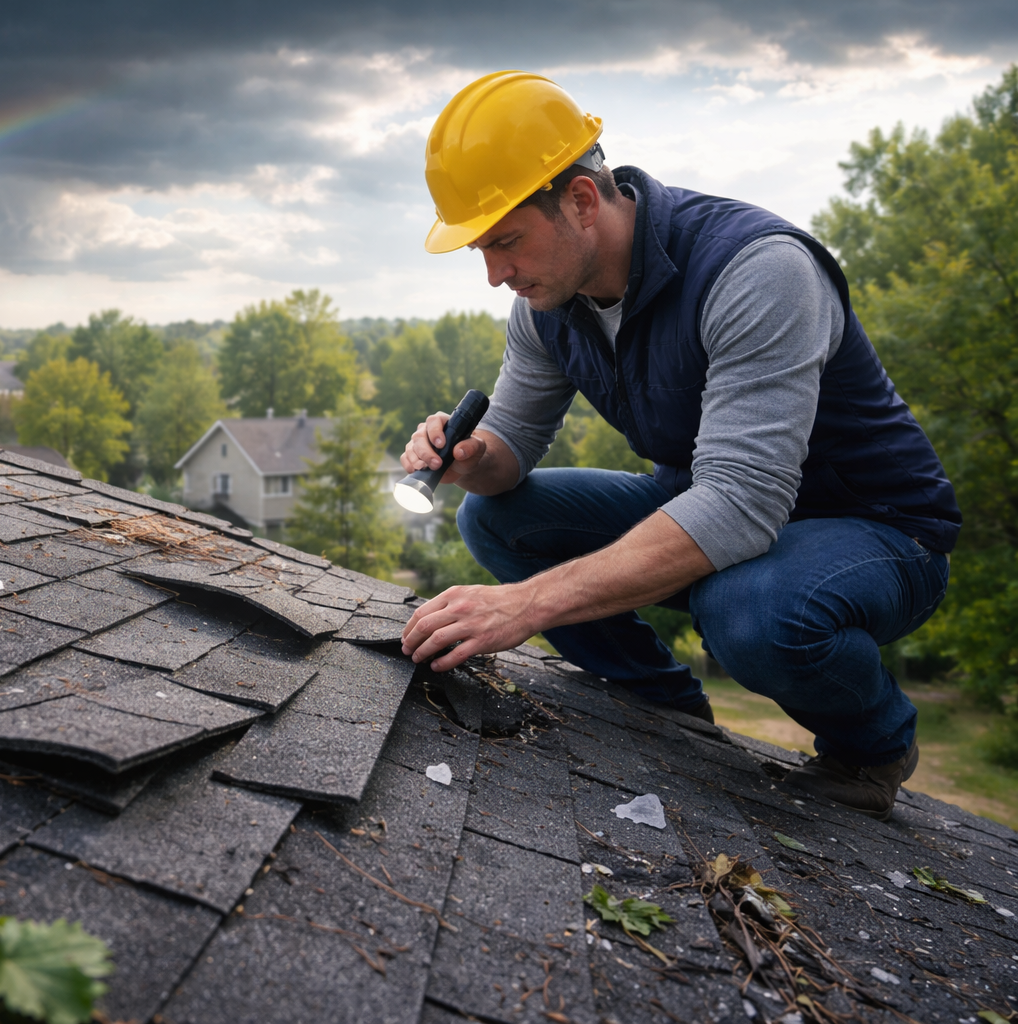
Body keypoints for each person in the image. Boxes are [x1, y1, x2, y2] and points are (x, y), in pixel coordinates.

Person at [398, 71, 960, 821]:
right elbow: (510, 453)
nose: (496, 274)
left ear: (581, 201)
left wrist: (525, 606)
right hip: (716, 501)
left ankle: (874, 745)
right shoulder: (547, 308)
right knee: (493, 519)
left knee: (752, 612)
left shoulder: (756, 270)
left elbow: (741, 505)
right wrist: (468, 458)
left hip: (876, 530)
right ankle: (664, 707)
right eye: (479, 250)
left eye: (505, 241)